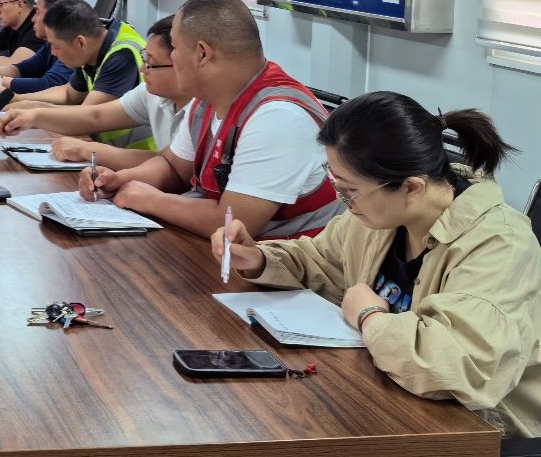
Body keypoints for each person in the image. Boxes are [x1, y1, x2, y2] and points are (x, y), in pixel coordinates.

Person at [212, 92, 541, 439]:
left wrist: (369, 316)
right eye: (334, 182)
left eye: (349, 190)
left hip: (477, 431)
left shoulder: (499, 246)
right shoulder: (380, 215)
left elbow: (454, 367)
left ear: (411, 187)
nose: (342, 200)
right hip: (391, 396)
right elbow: (322, 260)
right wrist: (261, 259)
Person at [83, 0, 340, 240]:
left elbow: (231, 223)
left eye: (174, 46)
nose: (172, 56)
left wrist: (151, 199)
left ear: (202, 53)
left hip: (283, 264)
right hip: (220, 254)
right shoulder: (207, 99)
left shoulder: (278, 117)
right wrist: (118, 180)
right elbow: (173, 167)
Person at [0, 15, 187, 160]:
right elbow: (94, 115)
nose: (143, 68)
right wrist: (34, 115)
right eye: (145, 59)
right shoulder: (149, 93)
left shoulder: (122, 54)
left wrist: (88, 150)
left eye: (151, 63)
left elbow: (170, 166)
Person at [6, 0, 144, 127]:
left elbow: (88, 116)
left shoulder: (122, 56)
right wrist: (19, 99)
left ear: (80, 42)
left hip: (134, 145)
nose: (53, 53)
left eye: (56, 46)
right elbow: (69, 93)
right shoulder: (91, 51)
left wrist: (36, 113)